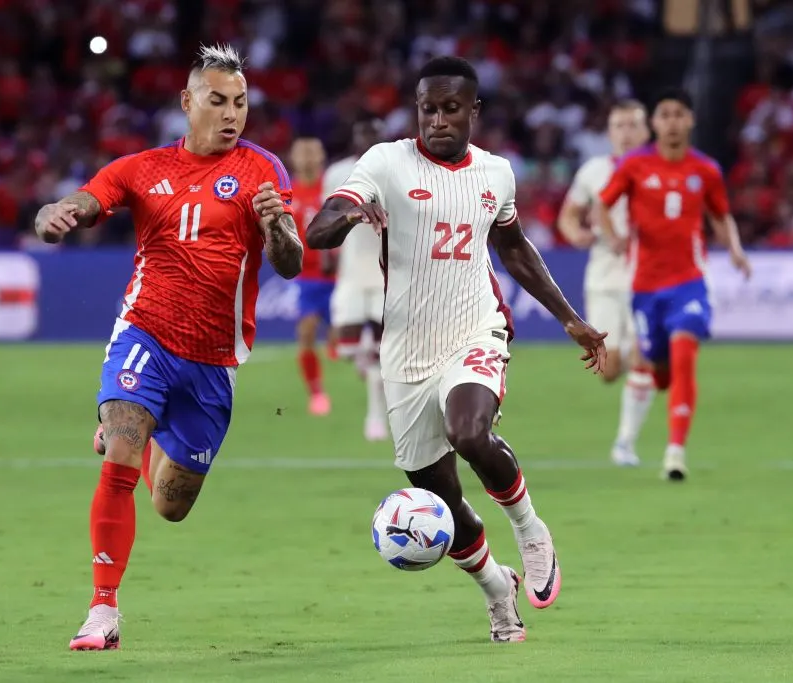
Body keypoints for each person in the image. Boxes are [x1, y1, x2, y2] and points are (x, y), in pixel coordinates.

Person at [305, 56, 607, 643]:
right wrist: (345, 220)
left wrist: (570, 319)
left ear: (474, 111)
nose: (438, 120)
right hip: (405, 352)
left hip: (475, 329)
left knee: (469, 432)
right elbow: (319, 229)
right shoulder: (386, 162)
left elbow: (515, 249)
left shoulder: (495, 173)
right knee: (437, 497)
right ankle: (498, 591)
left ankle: (529, 526)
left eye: (450, 108)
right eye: (427, 109)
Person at [34, 45, 303, 651]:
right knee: (122, 454)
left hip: (215, 362)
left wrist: (277, 226)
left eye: (240, 103)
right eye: (217, 101)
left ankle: (142, 427)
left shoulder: (265, 172)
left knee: (170, 505)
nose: (232, 114)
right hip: (146, 334)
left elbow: (290, 265)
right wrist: (59, 210)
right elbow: (87, 199)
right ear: (187, 103)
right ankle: (103, 610)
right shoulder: (141, 168)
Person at [597, 87, 751, 481]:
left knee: (685, 355)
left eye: (679, 114)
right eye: (664, 114)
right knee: (659, 372)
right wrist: (613, 235)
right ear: (654, 123)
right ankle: (659, 398)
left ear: (690, 121)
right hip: (645, 289)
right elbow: (602, 203)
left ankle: (675, 452)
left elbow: (720, 215)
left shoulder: (706, 170)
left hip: (690, 283)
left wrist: (734, 250)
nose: (671, 122)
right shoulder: (633, 165)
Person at [557, 100, 652, 467]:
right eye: (619, 125)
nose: (626, 132)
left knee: (642, 356)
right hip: (604, 277)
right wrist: (576, 234)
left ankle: (625, 443)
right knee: (609, 369)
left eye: (632, 124)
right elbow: (568, 216)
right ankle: (638, 364)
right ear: (610, 132)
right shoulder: (594, 171)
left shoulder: (656, 169)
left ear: (645, 131)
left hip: (647, 276)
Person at [321, 117, 388, 440]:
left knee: (380, 352)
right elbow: (326, 215)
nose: (369, 139)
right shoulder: (337, 173)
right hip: (350, 270)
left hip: (385, 271)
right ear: (356, 136)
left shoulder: (393, 172)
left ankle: (375, 415)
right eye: (365, 132)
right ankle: (365, 361)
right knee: (346, 346)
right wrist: (325, 255)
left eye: (374, 133)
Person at [288, 136, 334, 415]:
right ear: (293, 158)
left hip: (339, 277)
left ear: (321, 156)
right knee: (305, 333)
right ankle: (316, 393)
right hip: (307, 277)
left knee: (343, 335)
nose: (306, 158)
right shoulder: (288, 192)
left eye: (312, 153)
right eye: (301, 153)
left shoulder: (331, 189)